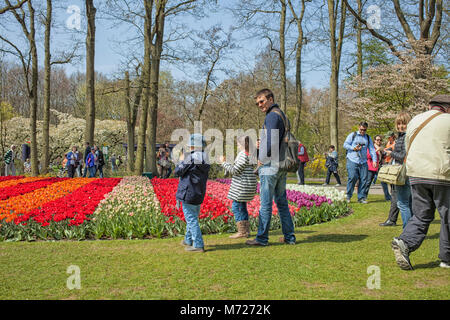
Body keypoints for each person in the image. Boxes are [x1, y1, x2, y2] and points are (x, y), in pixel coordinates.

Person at [391, 94, 450, 270]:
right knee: (447, 216)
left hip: (416, 173)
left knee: (421, 215)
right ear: (446, 107)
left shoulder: (415, 120)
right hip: (441, 173)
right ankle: (446, 258)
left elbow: (408, 147)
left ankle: (405, 242)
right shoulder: (448, 120)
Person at [246, 88, 296, 246]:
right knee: (282, 203)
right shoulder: (281, 115)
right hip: (281, 164)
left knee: (266, 203)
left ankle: (261, 239)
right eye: (257, 103)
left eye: (262, 101)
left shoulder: (272, 116)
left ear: (271, 99)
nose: (259, 105)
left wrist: (262, 159)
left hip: (270, 165)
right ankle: (290, 237)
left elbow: (273, 141)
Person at [176, 133, 210, 253]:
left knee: (191, 219)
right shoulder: (205, 158)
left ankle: (198, 244)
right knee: (193, 217)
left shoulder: (190, 158)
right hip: (199, 192)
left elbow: (178, 171)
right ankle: (188, 239)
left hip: (188, 191)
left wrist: (180, 161)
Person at [219, 135, 257, 238]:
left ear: (243, 144)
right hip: (247, 185)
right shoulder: (252, 154)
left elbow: (235, 171)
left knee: (237, 207)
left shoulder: (243, 155)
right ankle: (245, 231)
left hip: (242, 187)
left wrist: (223, 163)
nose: (237, 145)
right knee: (242, 207)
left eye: (238, 143)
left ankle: (242, 232)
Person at [384, 112, 412, 229]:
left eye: (403, 123)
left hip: (403, 173)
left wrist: (391, 153)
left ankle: (408, 230)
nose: (401, 126)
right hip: (406, 172)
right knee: (408, 203)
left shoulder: (405, 137)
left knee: (403, 203)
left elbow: (404, 155)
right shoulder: (402, 136)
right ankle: (412, 230)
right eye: (399, 123)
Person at [343, 122, 378, 204]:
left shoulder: (368, 138)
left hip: (363, 161)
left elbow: (372, 149)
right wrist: (353, 148)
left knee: (363, 179)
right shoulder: (353, 135)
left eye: (364, 130)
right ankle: (348, 196)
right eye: (361, 129)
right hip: (352, 160)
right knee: (352, 178)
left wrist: (374, 160)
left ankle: (361, 198)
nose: (362, 131)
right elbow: (345, 144)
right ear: (359, 127)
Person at [362, 135, 382, 200]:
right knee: (368, 182)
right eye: (377, 140)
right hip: (370, 167)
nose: (379, 141)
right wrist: (376, 150)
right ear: (374, 140)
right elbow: (368, 156)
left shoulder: (380, 148)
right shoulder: (371, 147)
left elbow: (381, 158)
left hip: (376, 167)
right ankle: (363, 197)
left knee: (382, 182)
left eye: (380, 140)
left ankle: (388, 197)